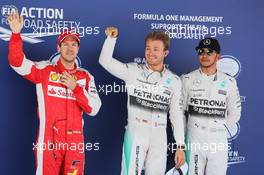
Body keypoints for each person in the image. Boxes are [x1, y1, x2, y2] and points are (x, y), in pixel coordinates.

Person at [8, 11, 101, 175]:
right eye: (65, 44)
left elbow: (94, 109)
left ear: (78, 48)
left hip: (75, 143)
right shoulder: (44, 70)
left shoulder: (85, 76)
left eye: (74, 44)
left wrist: (76, 88)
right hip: (49, 140)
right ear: (58, 47)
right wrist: (16, 34)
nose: (70, 48)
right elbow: (17, 63)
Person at [99, 26, 185, 175]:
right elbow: (105, 61)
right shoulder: (133, 70)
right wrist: (111, 39)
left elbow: (176, 115)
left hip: (160, 134)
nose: (150, 53)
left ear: (165, 53)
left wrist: (180, 146)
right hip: (136, 131)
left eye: (156, 49)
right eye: (148, 48)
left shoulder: (174, 80)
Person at [181, 38, 241, 175]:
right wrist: (185, 135)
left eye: (209, 52)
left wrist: (220, 131)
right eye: (201, 52)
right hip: (194, 139)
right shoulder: (187, 79)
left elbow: (235, 112)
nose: (205, 56)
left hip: (218, 141)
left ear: (218, 56)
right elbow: (179, 112)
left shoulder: (229, 82)